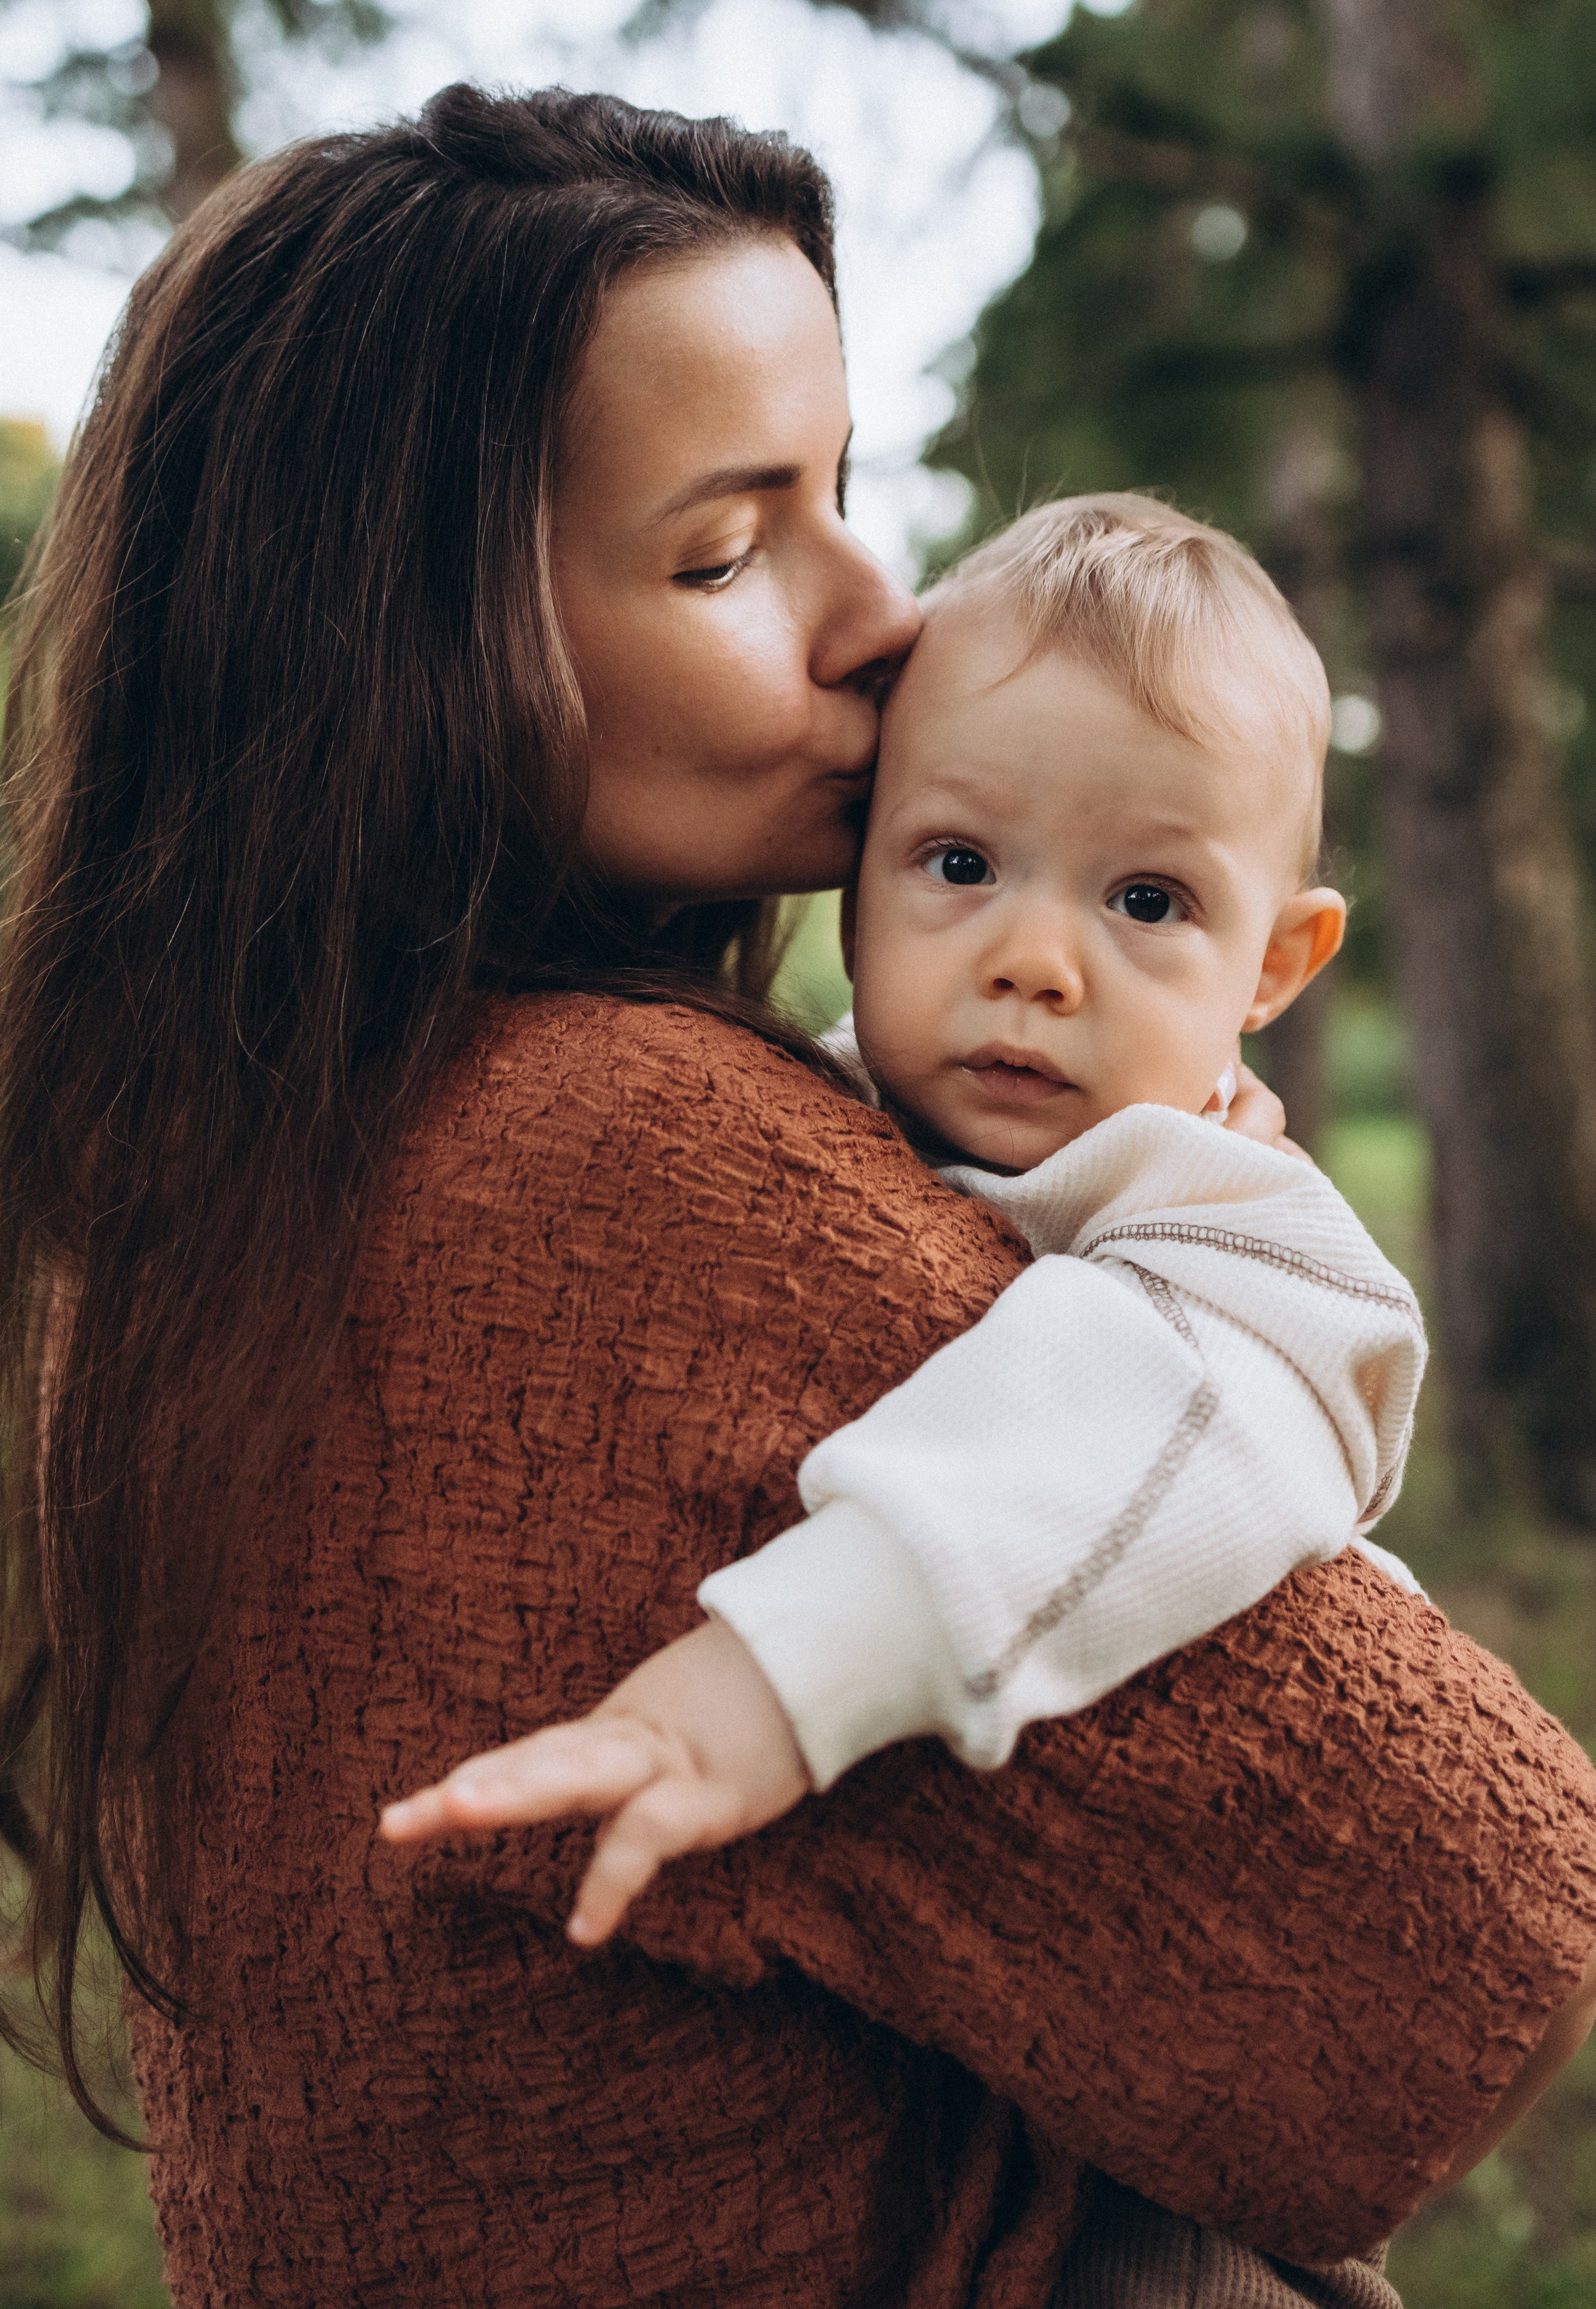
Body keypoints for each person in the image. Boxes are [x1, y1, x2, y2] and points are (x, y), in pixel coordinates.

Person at [0, 83, 1596, 2309]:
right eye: (730, 553)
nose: (879, 615)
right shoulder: (637, 1166)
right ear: (401, 645)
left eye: (845, 492)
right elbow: (1515, 1939)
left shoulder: (174, 1210)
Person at [382, 490, 1434, 1906]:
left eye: (1145, 901)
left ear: (1274, 966)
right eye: (959, 864)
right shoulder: (785, 1116)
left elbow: (1107, 1435)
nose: (1034, 963)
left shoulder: (1247, 1248)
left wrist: (770, 1681)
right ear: (857, 879)